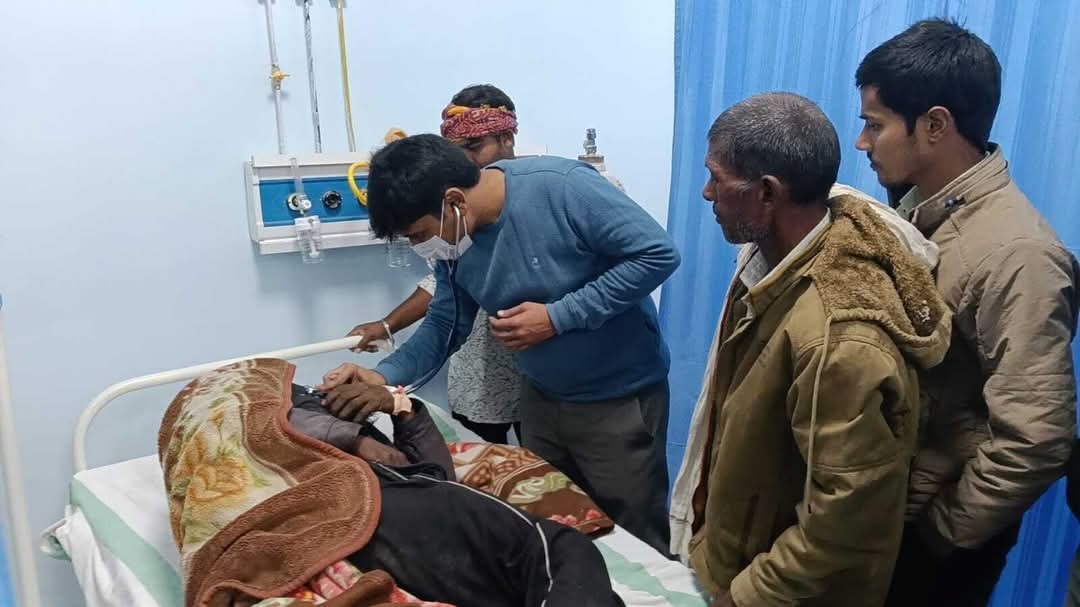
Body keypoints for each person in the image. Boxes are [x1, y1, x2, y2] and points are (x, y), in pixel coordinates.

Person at [321, 134, 680, 554]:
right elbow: (445, 322)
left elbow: (657, 254)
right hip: (542, 398)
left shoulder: (561, 188)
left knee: (635, 534)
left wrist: (557, 317)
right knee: (555, 523)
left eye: (420, 234)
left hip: (617, 399)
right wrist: (381, 376)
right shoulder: (457, 243)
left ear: (454, 200)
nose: (421, 248)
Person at [681, 92, 952, 606]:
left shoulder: (840, 339)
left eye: (717, 178)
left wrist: (744, 596)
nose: (707, 192)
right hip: (738, 565)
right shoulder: (768, 268)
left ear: (766, 193)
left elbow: (844, 523)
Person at [854, 19, 1080, 606]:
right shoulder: (916, 215)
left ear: (935, 125)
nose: (862, 143)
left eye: (874, 124)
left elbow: (1037, 437)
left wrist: (940, 535)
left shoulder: (1018, 254)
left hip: (932, 543)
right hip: (889, 516)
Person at [287, 380, 624, 607]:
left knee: (560, 552)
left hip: (411, 507)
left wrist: (402, 408)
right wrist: (354, 438)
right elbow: (264, 417)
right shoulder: (272, 398)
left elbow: (436, 472)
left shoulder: (338, 407)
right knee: (559, 550)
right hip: (341, 517)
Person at [347, 84, 524, 444]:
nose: (467, 162)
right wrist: (386, 333)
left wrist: (557, 317)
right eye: (458, 152)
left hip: (547, 376)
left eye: (474, 147)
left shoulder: (540, 195)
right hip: (478, 369)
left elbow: (638, 261)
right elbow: (443, 296)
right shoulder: (453, 214)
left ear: (506, 137)